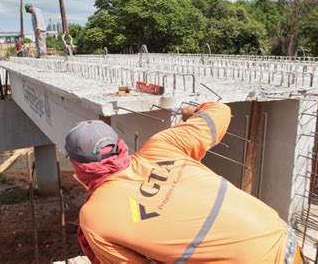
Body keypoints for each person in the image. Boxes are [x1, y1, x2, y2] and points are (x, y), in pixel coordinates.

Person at [65, 102, 303, 263]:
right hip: (283, 239)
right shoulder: (164, 145)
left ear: (79, 166)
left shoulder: (95, 216)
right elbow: (219, 111)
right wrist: (192, 112)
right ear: (121, 145)